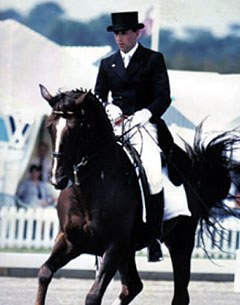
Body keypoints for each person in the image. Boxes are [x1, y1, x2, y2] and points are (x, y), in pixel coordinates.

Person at [94, 11, 173, 262]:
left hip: (143, 125)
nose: (120, 38)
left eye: (124, 33)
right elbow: (98, 96)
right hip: (115, 125)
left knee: (152, 174)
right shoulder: (108, 64)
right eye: (117, 33)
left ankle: (154, 237)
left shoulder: (152, 60)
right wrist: (109, 108)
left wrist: (146, 113)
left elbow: (163, 96)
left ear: (136, 33)